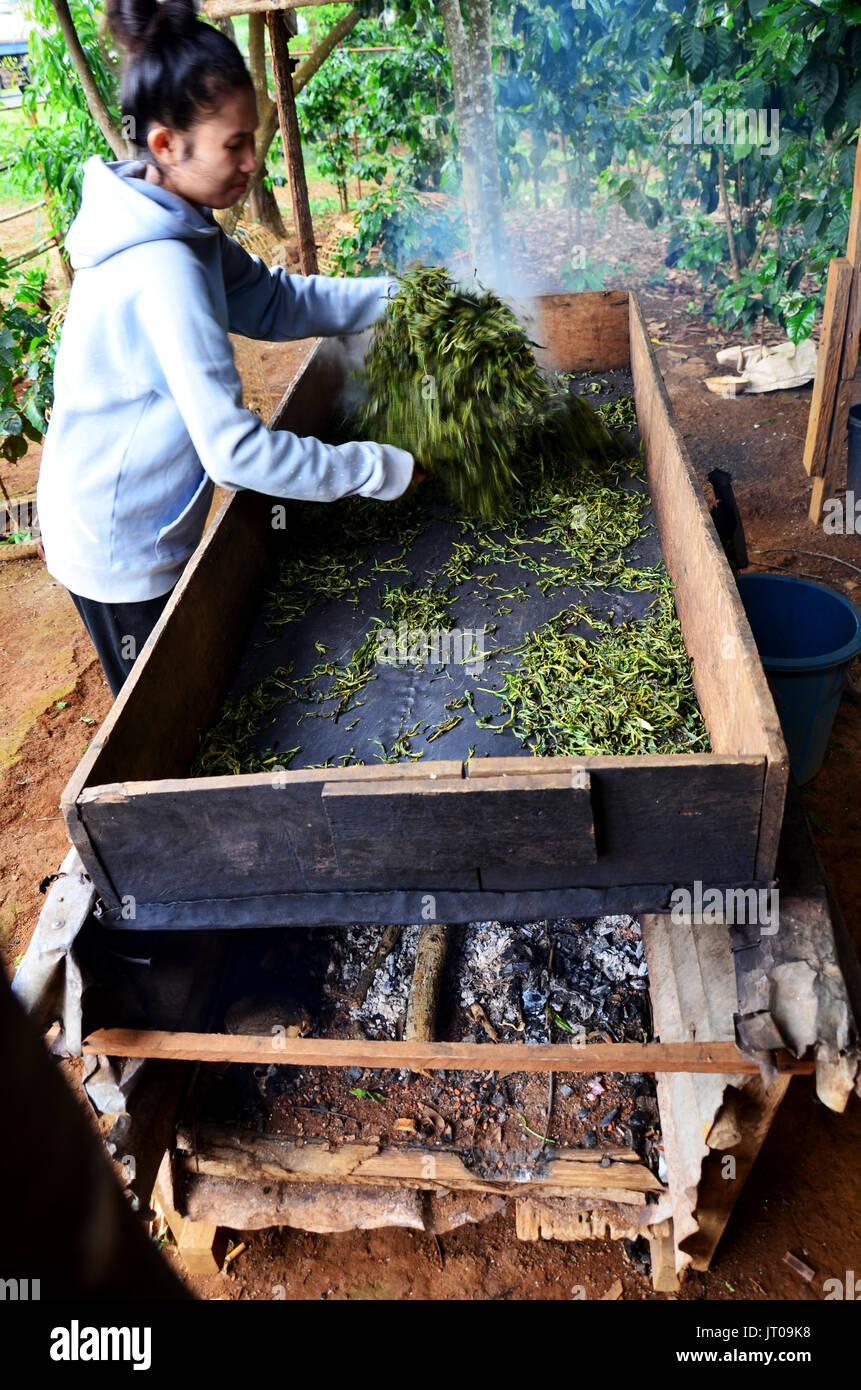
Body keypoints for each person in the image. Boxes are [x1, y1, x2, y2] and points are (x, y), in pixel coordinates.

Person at [36, 0, 416, 698]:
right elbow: (235, 452)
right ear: (163, 145)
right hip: (118, 541)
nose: (252, 160)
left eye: (253, 138)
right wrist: (379, 469)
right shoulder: (164, 269)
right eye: (233, 146)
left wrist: (402, 297)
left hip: (134, 513)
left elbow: (278, 301)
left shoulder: (180, 223)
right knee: (170, 713)